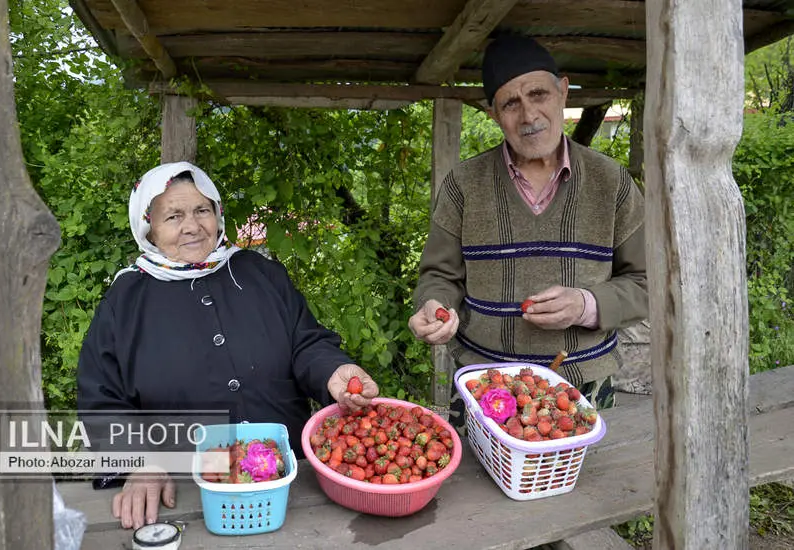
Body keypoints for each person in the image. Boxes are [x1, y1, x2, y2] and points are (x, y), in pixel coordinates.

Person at [77, 161, 378, 530]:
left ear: (218, 215)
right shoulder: (123, 302)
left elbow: (306, 341)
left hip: (292, 485)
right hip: (188, 498)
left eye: (202, 210)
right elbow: (99, 399)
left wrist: (334, 370)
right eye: (173, 216)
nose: (192, 225)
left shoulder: (259, 272)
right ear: (148, 228)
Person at [408, 35, 647, 429]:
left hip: (582, 386)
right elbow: (439, 276)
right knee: (478, 488)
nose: (529, 115)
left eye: (538, 94)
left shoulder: (612, 183)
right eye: (510, 103)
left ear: (563, 91)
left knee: (587, 490)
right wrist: (434, 308)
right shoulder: (463, 184)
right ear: (492, 114)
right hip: (485, 384)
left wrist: (586, 304)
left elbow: (646, 284)